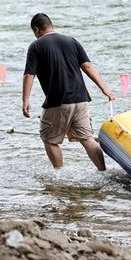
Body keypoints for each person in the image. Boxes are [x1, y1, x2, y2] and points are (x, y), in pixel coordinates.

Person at [22, 13, 116, 171]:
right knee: (87, 139)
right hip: (80, 100)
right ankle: (103, 172)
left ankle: (59, 176)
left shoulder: (36, 46)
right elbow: (87, 66)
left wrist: (25, 100)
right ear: (50, 25)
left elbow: (29, 74)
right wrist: (105, 89)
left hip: (57, 102)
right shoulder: (71, 41)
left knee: (50, 140)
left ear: (36, 29)